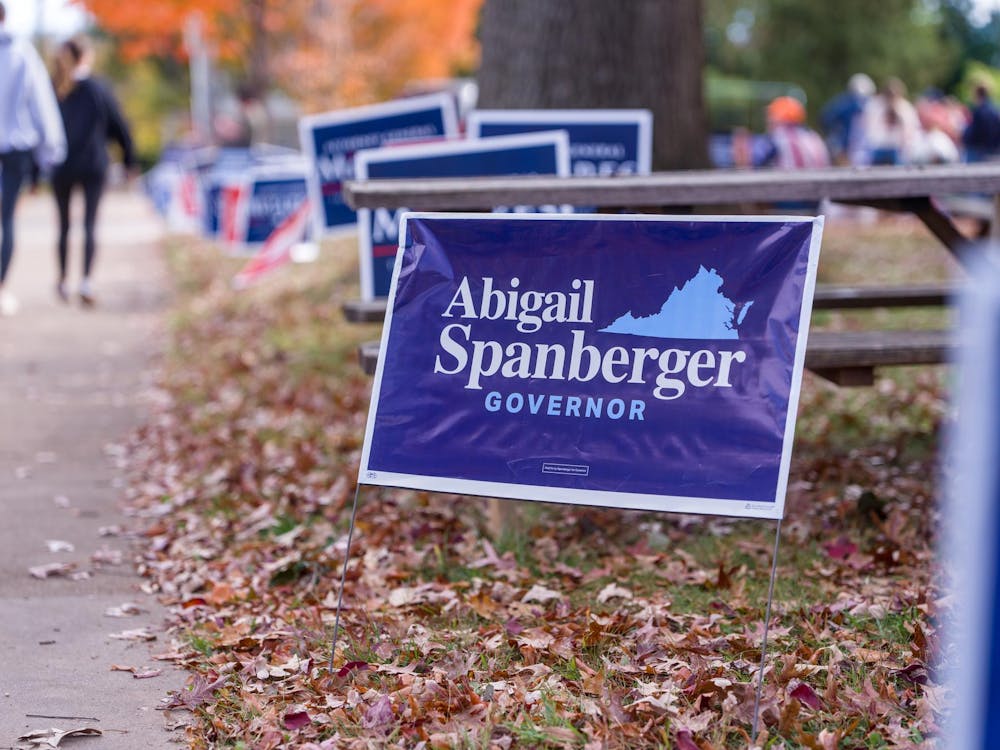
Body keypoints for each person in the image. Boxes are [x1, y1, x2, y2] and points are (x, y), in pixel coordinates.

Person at [50, 35, 135, 306]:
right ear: (86, 56)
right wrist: (130, 159)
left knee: (63, 226)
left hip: (61, 165)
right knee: (89, 224)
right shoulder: (98, 89)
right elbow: (119, 125)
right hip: (93, 164)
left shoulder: (55, 88)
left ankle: (63, 279)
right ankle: (86, 281)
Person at [0, 1, 67, 316]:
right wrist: (50, 153)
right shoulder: (21, 54)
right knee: (7, 218)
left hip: (14, 150)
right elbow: (41, 105)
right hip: (15, 151)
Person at [754, 96, 831, 170]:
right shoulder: (813, 136)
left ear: (776, 118)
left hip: (790, 182)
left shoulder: (776, 138)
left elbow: (757, 161)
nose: (768, 120)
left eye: (771, 116)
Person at [862, 78, 922, 166]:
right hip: (876, 149)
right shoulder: (874, 106)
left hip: (898, 151)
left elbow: (911, 132)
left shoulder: (906, 109)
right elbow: (868, 132)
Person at [820, 73, 875, 166]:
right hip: (846, 149)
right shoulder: (846, 104)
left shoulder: (842, 102)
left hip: (855, 149)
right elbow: (826, 119)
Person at [962, 82, 1000, 163]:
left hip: (978, 151)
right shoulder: (995, 110)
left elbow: (974, 132)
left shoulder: (978, 111)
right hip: (993, 150)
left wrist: (965, 136)